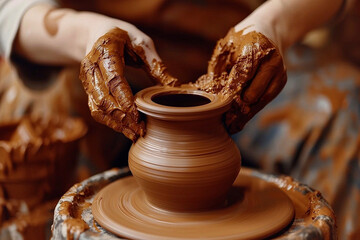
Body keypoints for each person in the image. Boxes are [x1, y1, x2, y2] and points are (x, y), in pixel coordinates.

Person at [1, 0, 358, 238]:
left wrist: (276, 21)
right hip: (95, 49)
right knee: (40, 128)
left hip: (247, 41)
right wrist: (83, 34)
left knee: (347, 110)